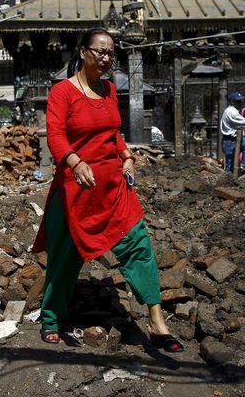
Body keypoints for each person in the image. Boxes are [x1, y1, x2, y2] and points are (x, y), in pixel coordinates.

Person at [30, 28, 183, 353]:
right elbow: (55, 135)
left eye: (111, 52)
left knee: (138, 244)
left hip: (114, 188)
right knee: (65, 259)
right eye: (99, 51)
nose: (105, 58)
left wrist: (127, 156)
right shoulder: (63, 92)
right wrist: (74, 161)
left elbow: (113, 134)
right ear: (83, 52)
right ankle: (52, 318)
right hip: (76, 190)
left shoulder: (110, 90)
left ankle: (157, 323)